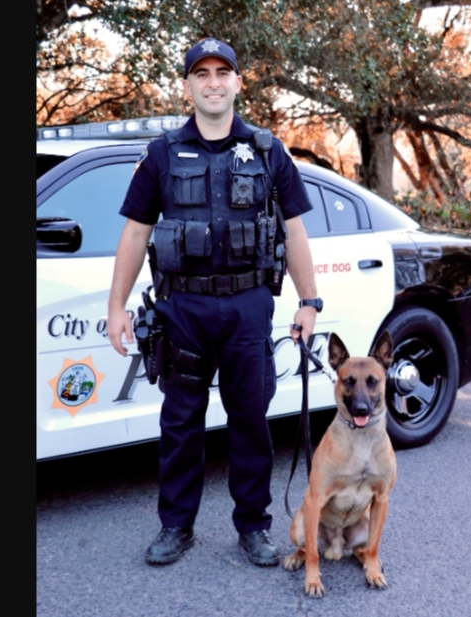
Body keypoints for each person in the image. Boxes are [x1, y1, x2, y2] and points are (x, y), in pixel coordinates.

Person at [107, 37, 321, 567]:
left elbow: (293, 232)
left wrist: (310, 301)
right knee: (180, 421)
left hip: (249, 305)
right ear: (188, 85)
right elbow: (135, 235)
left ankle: (253, 526)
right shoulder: (159, 155)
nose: (213, 82)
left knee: (250, 420)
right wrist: (116, 308)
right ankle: (176, 526)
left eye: (222, 72)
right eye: (201, 73)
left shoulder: (269, 151)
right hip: (183, 310)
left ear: (238, 82)